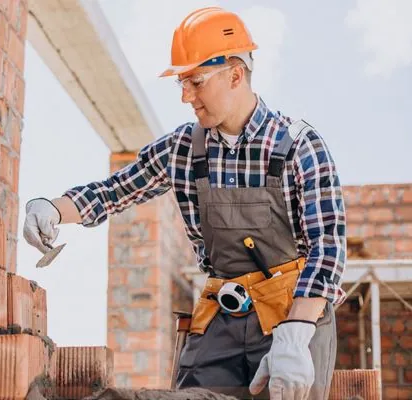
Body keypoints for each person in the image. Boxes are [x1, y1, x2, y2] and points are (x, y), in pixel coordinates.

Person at [23, 6, 346, 400]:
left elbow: (327, 247)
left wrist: (296, 335)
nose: (185, 96)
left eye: (195, 81)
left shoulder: (297, 145)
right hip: (224, 314)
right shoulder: (183, 149)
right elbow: (114, 191)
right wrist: (54, 207)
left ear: (234, 75)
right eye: (181, 83)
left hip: (293, 313)